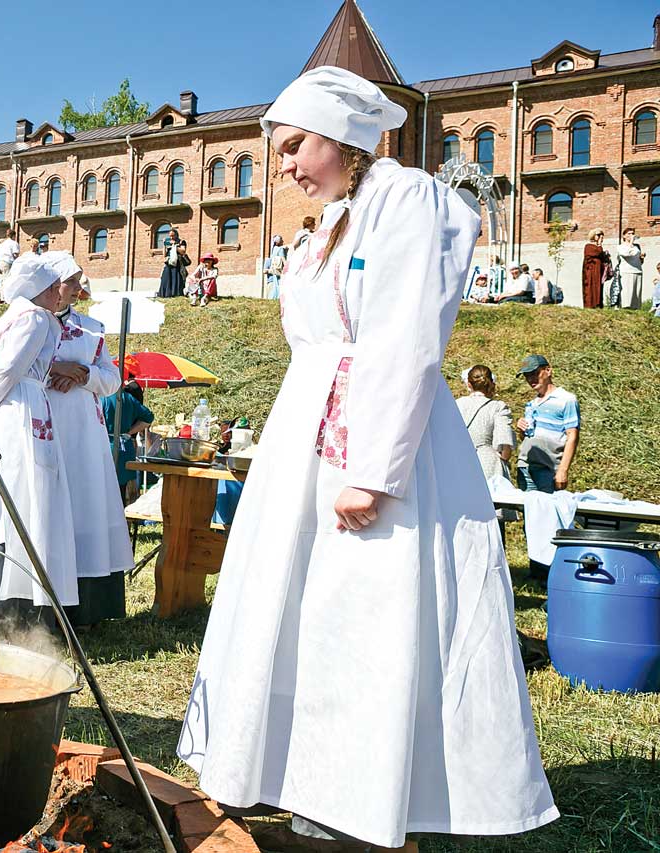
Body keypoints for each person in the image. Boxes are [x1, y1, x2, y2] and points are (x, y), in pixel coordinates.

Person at [178, 66, 557, 851]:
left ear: (345, 141)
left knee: (365, 613)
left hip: (377, 439)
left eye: (294, 147)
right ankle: (297, 769)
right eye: (278, 150)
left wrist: (371, 471)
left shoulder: (406, 201)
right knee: (301, 607)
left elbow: (403, 339)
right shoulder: (331, 225)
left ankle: (367, 787)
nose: (282, 165)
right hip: (306, 436)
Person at [0, 252, 81, 635]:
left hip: (9, 407)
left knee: (4, 501)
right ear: (43, 289)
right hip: (19, 411)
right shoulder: (35, 318)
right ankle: (6, 611)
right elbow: (6, 371)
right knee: (21, 498)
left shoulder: (15, 317)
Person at [48, 264, 132, 627]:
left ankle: (86, 607)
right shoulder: (26, 322)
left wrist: (83, 375)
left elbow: (113, 379)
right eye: (70, 281)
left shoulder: (92, 328)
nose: (77, 288)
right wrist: (56, 368)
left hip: (82, 432)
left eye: (78, 282)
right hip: (41, 423)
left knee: (83, 506)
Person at [514, 354, 579, 494]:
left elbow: (572, 436)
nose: (531, 379)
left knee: (548, 513)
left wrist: (563, 470)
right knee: (529, 513)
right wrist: (520, 429)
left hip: (548, 469)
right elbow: (526, 438)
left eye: (534, 374)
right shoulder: (531, 404)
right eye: (527, 376)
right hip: (525, 466)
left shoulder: (566, 399)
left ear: (548, 371)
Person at [101, 371, 154, 503]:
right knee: (120, 491)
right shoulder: (128, 398)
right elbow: (148, 418)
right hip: (125, 448)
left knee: (103, 491)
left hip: (107, 446)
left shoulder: (101, 398)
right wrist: (129, 432)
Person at [455, 365, 514, 482]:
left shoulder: (456, 404)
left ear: (469, 384)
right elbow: (504, 444)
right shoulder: (498, 407)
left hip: (458, 462)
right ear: (491, 383)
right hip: (488, 465)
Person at [616, 227, 646, 310]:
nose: (631, 235)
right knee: (627, 293)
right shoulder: (621, 246)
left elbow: (640, 261)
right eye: (629, 234)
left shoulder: (637, 247)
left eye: (633, 233)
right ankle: (626, 308)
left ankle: (635, 309)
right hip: (627, 271)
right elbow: (626, 254)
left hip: (637, 271)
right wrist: (631, 242)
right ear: (624, 236)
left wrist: (641, 258)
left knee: (636, 294)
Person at [156, 227, 189, 298]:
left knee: (176, 278)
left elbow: (183, 251)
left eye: (173, 235)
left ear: (176, 235)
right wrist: (164, 245)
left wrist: (175, 246)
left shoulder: (181, 242)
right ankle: (165, 294)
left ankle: (176, 294)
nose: (171, 237)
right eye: (170, 236)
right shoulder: (169, 242)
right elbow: (164, 255)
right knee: (165, 278)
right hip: (169, 263)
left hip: (177, 264)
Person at [581, 228, 609, 309]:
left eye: (602, 236)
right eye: (598, 235)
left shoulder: (599, 247)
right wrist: (600, 245)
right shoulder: (588, 246)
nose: (600, 237)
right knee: (591, 287)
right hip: (591, 271)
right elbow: (598, 252)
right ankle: (590, 304)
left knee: (598, 286)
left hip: (598, 271)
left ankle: (598, 304)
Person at [265, 235, 286, 299]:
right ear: (278, 242)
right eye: (281, 239)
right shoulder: (280, 249)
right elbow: (283, 259)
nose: (283, 241)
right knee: (278, 285)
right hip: (278, 270)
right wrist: (287, 267)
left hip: (273, 270)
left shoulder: (273, 249)